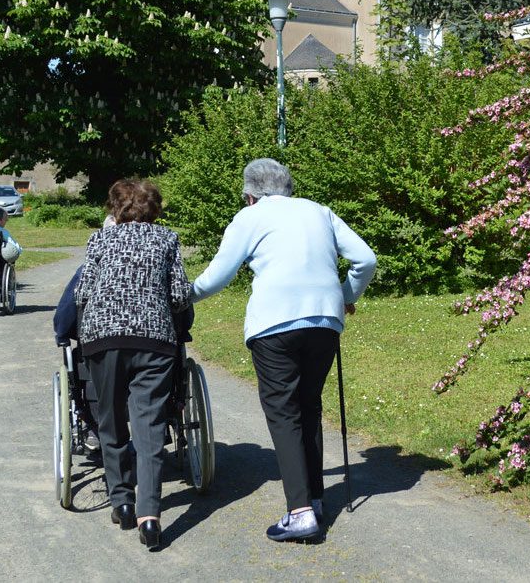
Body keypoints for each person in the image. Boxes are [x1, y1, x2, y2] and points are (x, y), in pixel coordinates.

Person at [192, 158, 376, 543]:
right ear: (288, 187)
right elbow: (365, 259)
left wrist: (183, 295)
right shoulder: (320, 211)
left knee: (283, 412)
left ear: (250, 194)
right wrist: (344, 296)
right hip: (324, 322)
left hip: (274, 323)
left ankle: (301, 513)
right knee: (308, 405)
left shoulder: (250, 217)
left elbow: (218, 276)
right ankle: (315, 499)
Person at [75, 179, 192, 552]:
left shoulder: (100, 240)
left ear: (115, 209)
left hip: (103, 338)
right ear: (155, 209)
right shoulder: (167, 240)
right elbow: (178, 295)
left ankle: (122, 501)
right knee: (149, 425)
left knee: (111, 419)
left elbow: (82, 292)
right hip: (154, 340)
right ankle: (150, 516)